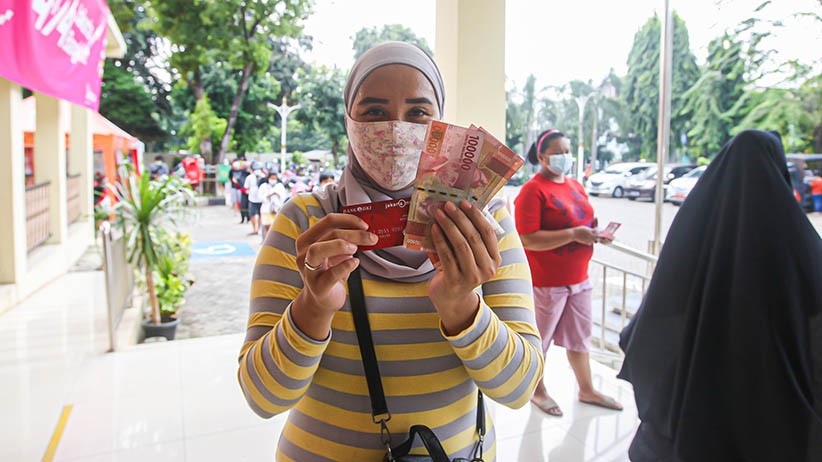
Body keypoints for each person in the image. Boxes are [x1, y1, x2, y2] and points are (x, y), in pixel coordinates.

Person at [237, 42, 544, 461]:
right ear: (348, 119)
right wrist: (313, 308)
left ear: (441, 122)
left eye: (418, 112)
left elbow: (519, 388)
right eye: (374, 111)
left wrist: (461, 306)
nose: (397, 130)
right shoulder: (306, 221)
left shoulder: (484, 223)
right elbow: (263, 397)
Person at [618, 130, 822, 462]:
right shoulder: (802, 246)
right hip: (774, 424)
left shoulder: (694, 233)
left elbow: (652, 322)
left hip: (689, 420)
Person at [514, 129, 623, 417]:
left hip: (579, 279)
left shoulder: (575, 186)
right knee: (540, 342)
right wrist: (574, 234)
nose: (565, 156)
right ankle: (537, 391)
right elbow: (527, 238)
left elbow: (585, 223)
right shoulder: (532, 190)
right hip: (545, 283)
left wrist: (595, 234)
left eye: (567, 150)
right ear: (541, 156)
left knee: (580, 338)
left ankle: (586, 388)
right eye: (558, 151)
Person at [257, 171, 286, 239]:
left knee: (275, 227)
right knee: (267, 226)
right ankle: (266, 241)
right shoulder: (264, 186)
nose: (273, 180)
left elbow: (283, 197)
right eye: (271, 178)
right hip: (266, 209)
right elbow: (260, 197)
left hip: (276, 209)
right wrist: (268, 195)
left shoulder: (280, 186)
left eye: (274, 178)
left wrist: (277, 194)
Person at [244, 162, 264, 235]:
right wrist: (249, 192)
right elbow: (246, 187)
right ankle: (254, 229)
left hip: (261, 200)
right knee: (252, 214)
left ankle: (258, 229)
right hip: (252, 199)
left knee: (260, 215)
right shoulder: (249, 177)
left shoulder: (263, 177)